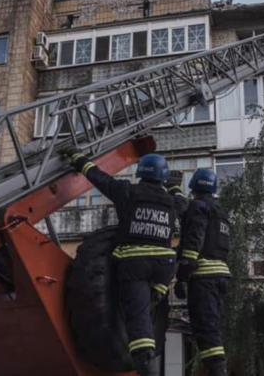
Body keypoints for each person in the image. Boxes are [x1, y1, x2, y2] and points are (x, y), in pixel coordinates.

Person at [60, 146, 187, 376]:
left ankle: (146, 365)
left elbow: (97, 177)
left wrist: (76, 157)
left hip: (135, 263)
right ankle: (156, 295)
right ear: (162, 177)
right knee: (151, 304)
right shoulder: (170, 202)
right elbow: (182, 202)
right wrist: (176, 185)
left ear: (141, 173)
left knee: (138, 323)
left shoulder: (127, 191)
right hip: (164, 266)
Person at [175, 169, 230, 376]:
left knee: (205, 329)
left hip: (203, 277)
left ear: (194, 186)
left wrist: (182, 276)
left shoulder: (198, 207)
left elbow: (193, 242)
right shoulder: (220, 212)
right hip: (221, 276)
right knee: (213, 328)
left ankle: (217, 371)